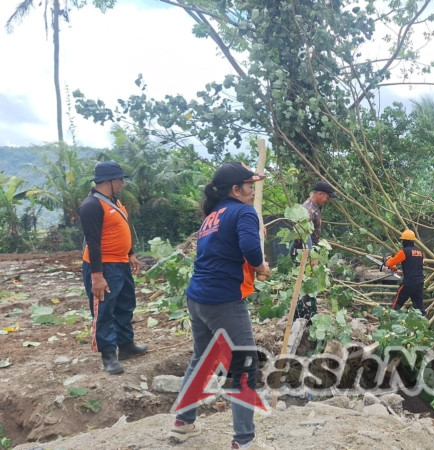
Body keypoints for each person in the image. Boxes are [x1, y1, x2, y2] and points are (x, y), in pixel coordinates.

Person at [169, 162, 270, 449]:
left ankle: (183, 423)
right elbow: (251, 249)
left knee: (201, 359)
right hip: (224, 300)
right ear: (236, 189)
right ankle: (244, 441)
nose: (252, 191)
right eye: (249, 186)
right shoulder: (244, 212)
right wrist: (261, 265)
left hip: (198, 297)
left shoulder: (213, 215)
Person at [79, 161, 147, 375]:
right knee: (104, 310)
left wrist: (131, 254)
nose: (122, 184)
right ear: (108, 181)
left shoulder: (115, 202)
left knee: (125, 304)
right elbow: (93, 242)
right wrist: (97, 276)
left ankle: (126, 345)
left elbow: (123, 228)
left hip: (121, 263)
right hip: (103, 266)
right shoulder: (91, 206)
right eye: (120, 180)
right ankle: (108, 355)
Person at [293, 181, 338, 321]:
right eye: (327, 197)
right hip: (303, 251)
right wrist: (312, 257)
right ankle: (303, 316)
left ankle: (307, 314)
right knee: (305, 283)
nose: (327, 201)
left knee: (309, 283)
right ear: (320, 194)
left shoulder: (315, 208)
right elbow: (305, 236)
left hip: (308, 250)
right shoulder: (307, 210)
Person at [386, 230, 426, 315]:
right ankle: (426, 324)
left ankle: (390, 318)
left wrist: (388, 259)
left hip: (409, 282)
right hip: (419, 282)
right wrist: (402, 272)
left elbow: (390, 263)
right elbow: (416, 266)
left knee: (397, 302)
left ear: (405, 241)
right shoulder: (420, 252)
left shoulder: (404, 251)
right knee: (419, 306)